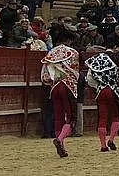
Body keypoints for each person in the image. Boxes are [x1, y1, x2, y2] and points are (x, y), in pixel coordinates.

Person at [41, 30, 80, 158]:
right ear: (69, 41)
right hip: (68, 87)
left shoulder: (51, 53)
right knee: (71, 118)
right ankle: (60, 139)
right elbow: (75, 72)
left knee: (58, 117)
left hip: (54, 88)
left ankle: (61, 145)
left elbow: (45, 76)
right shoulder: (73, 53)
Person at [85, 51, 119, 152]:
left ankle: (103, 145)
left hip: (101, 91)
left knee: (102, 118)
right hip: (113, 91)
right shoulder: (114, 63)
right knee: (115, 116)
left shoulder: (95, 63)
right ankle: (111, 139)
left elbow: (89, 79)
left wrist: (97, 86)